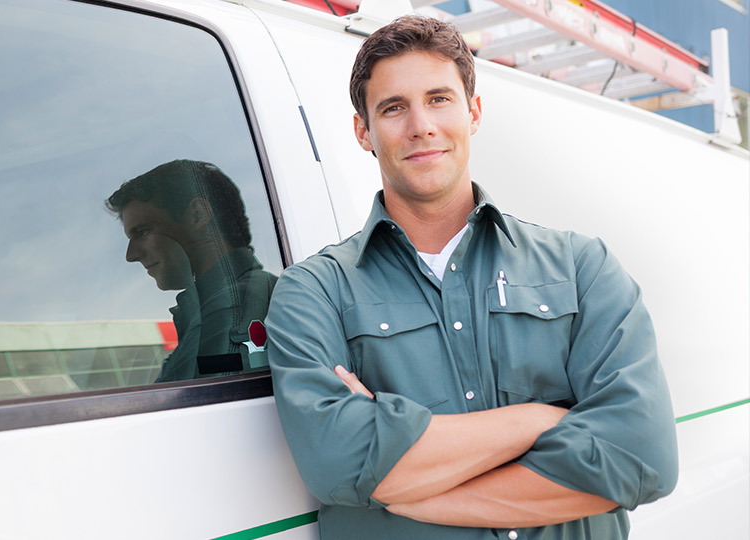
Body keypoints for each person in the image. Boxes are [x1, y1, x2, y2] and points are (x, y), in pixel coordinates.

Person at [265, 15, 677, 539]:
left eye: (439, 99)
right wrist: (539, 420)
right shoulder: (314, 292)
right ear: (363, 131)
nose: (421, 126)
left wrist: (414, 486)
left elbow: (643, 456)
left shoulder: (580, 267)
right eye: (393, 108)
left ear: (473, 112)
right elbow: (340, 464)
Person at [106, 159, 277, 382]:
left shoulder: (234, 306)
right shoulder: (217, 306)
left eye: (142, 232)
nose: (131, 255)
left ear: (198, 215)